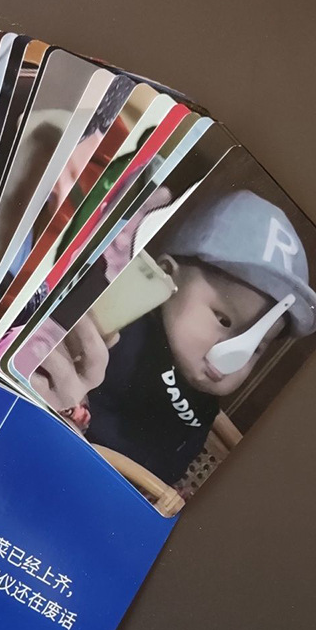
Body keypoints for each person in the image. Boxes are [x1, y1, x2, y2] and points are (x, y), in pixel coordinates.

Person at [31, 189, 316, 485]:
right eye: (223, 320)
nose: (235, 356)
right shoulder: (122, 328)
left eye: (256, 348)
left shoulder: (204, 410)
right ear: (166, 275)